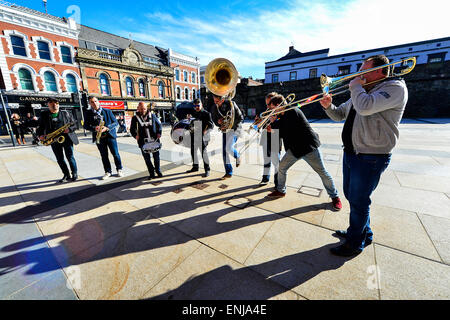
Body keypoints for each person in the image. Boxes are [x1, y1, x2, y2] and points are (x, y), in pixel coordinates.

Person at [320, 54, 408, 257]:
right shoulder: (362, 91)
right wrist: (328, 107)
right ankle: (362, 233)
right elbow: (340, 114)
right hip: (352, 153)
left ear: (380, 71)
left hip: (371, 156)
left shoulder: (394, 88)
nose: (359, 74)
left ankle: (354, 242)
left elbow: (366, 107)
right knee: (352, 196)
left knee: (360, 200)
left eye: (363, 70)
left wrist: (356, 87)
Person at [266, 94, 342, 211]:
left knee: (322, 172)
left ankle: (335, 196)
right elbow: (281, 133)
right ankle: (280, 190)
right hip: (295, 149)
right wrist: (273, 128)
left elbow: (286, 129)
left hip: (308, 147)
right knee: (281, 167)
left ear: (278, 105)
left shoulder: (292, 112)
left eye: (272, 108)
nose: (271, 110)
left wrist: (274, 123)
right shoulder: (282, 116)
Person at [36, 98, 79, 183]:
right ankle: (66, 174)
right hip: (53, 140)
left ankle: (74, 173)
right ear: (48, 105)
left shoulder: (66, 113)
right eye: (51, 103)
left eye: (56, 103)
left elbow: (75, 125)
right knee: (59, 159)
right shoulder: (44, 115)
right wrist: (40, 135)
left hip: (66, 138)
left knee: (70, 157)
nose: (54, 105)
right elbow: (40, 126)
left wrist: (69, 129)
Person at [83, 96, 124, 180]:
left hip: (110, 136)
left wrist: (107, 127)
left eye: (95, 101)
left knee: (115, 154)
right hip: (99, 138)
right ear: (89, 103)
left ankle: (119, 169)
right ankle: (108, 172)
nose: (94, 103)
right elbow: (86, 125)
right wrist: (94, 128)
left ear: (98, 101)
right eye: (92, 102)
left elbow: (115, 122)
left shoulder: (107, 111)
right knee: (104, 155)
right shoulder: (88, 113)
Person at [210, 93, 244, 180]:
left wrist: (230, 123)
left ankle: (237, 156)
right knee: (224, 152)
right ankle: (228, 172)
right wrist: (219, 122)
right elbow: (214, 120)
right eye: (214, 101)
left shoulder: (231, 104)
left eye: (217, 101)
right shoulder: (214, 108)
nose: (216, 103)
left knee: (228, 148)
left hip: (235, 129)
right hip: (225, 130)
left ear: (222, 99)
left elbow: (240, 118)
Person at [130, 102, 163, 179]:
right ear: (138, 108)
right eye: (141, 109)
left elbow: (159, 125)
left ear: (146, 108)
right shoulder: (135, 118)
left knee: (156, 157)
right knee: (147, 159)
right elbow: (132, 129)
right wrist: (135, 135)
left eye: (144, 108)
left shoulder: (153, 115)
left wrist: (159, 133)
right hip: (143, 141)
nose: (143, 110)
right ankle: (151, 173)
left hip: (154, 140)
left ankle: (158, 171)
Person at [185, 98, 214, 177]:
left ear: (201, 105)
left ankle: (207, 169)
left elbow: (211, 126)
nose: (196, 107)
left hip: (203, 137)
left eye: (198, 105)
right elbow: (191, 124)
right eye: (195, 106)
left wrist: (206, 131)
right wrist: (189, 121)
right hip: (194, 136)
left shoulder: (207, 114)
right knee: (193, 152)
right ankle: (195, 167)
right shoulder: (193, 113)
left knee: (203, 154)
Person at [258, 92, 281, 186]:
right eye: (266, 104)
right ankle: (265, 178)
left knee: (276, 161)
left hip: (275, 138)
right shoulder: (266, 111)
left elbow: (281, 125)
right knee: (266, 159)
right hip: (265, 137)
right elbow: (261, 125)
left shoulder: (279, 112)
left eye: (269, 104)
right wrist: (259, 122)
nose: (267, 106)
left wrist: (274, 125)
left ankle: (277, 182)